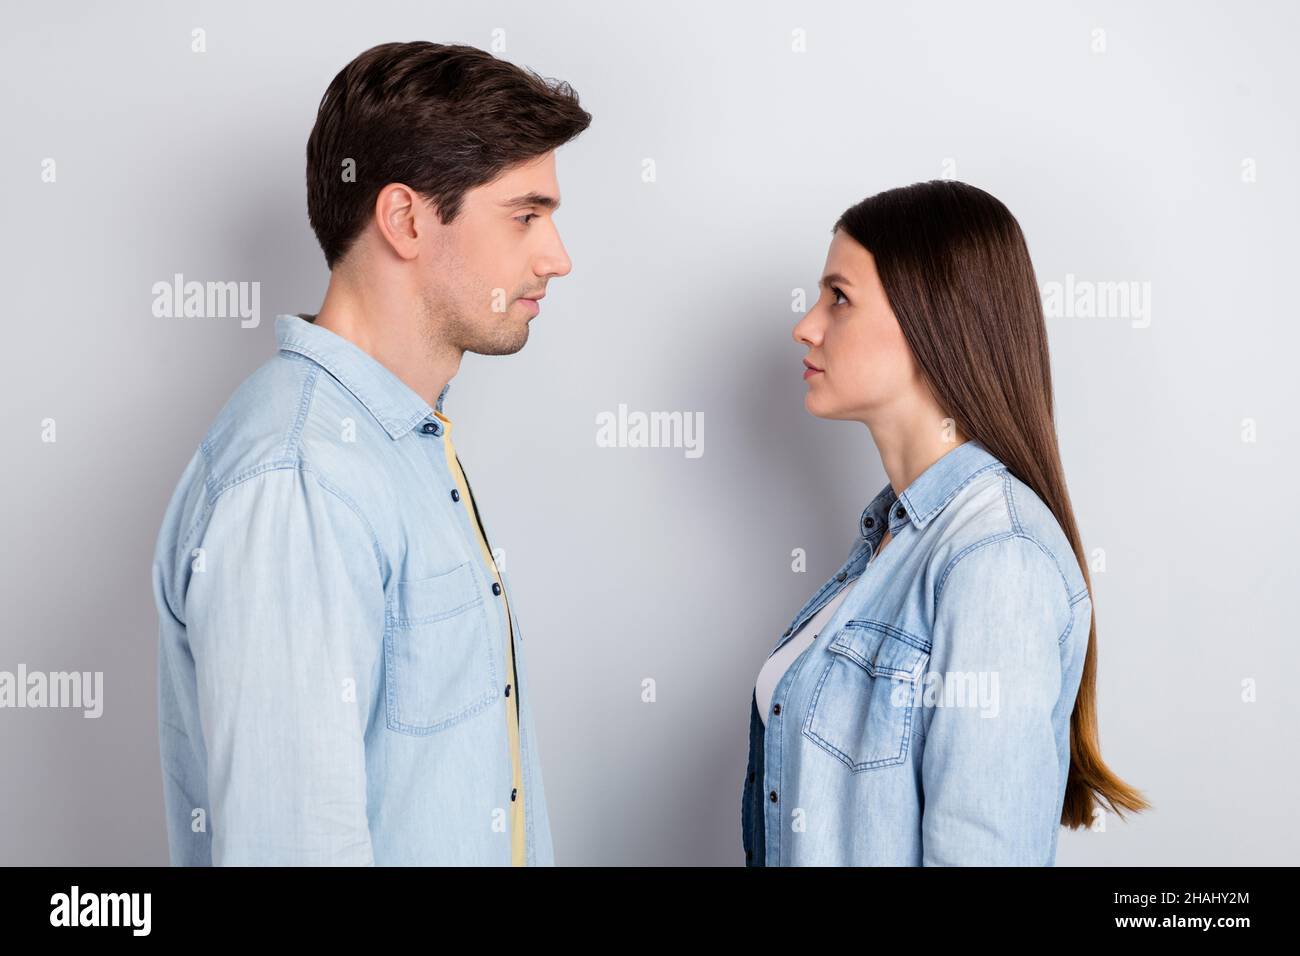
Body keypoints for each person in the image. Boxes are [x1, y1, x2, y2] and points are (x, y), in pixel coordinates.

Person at [152, 41, 590, 865]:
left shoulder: (400, 444)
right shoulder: (302, 479)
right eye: (526, 215)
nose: (556, 256)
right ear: (405, 219)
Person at [742, 180, 1150, 866]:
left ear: (932, 320)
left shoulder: (995, 560)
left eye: (839, 297)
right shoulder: (893, 537)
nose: (806, 325)